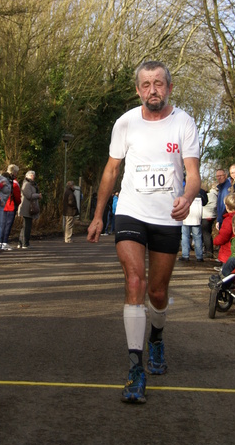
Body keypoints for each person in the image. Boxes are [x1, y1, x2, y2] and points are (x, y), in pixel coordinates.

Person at [87, 60, 200, 405]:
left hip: (167, 216)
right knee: (134, 281)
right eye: (146, 84)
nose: (153, 90)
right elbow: (111, 170)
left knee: (158, 292)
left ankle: (157, 336)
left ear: (169, 87)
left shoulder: (184, 123)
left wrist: (188, 196)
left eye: (159, 83)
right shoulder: (125, 123)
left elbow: (193, 174)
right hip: (131, 212)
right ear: (138, 90)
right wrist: (97, 216)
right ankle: (136, 367)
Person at [179, 188, 207, 262]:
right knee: (197, 237)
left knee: (185, 236)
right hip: (196, 217)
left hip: (186, 216)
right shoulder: (201, 191)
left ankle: (185, 255)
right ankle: (199, 256)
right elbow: (205, 202)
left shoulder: (183, 191)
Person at [213, 193, 235, 264]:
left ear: (226, 206)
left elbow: (224, 235)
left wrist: (216, 241)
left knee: (227, 272)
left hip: (228, 252)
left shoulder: (228, 220)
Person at [18, 170, 42, 249]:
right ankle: (25, 243)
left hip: (29, 207)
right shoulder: (27, 184)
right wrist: (37, 195)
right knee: (26, 226)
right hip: (27, 207)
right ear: (28, 176)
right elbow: (28, 195)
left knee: (26, 225)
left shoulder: (31, 184)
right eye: (32, 175)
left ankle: (21, 242)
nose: (33, 177)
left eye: (34, 175)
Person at [0, 165, 21, 249]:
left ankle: (0, 241)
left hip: (4, 204)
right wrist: (18, 203)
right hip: (10, 205)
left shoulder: (2, 179)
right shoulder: (14, 183)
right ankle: (4, 241)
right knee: (7, 225)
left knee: (2, 224)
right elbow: (17, 196)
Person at [201, 181, 218, 259]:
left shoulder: (210, 195)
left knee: (206, 233)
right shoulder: (216, 195)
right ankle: (208, 250)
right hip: (212, 215)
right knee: (208, 233)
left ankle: (208, 251)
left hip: (206, 215)